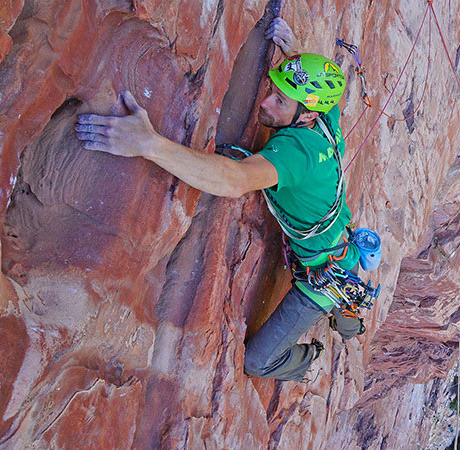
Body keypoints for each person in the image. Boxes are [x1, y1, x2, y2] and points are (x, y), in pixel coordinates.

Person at [75, 19, 365, 382]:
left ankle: (310, 358)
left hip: (319, 278)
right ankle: (348, 317)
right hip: (340, 249)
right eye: (273, 89)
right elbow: (311, 86)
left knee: (258, 363)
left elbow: (233, 179)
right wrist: (293, 53)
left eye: (279, 100)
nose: (265, 101)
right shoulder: (325, 116)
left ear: (305, 114)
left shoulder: (294, 156)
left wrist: (149, 145)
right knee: (348, 302)